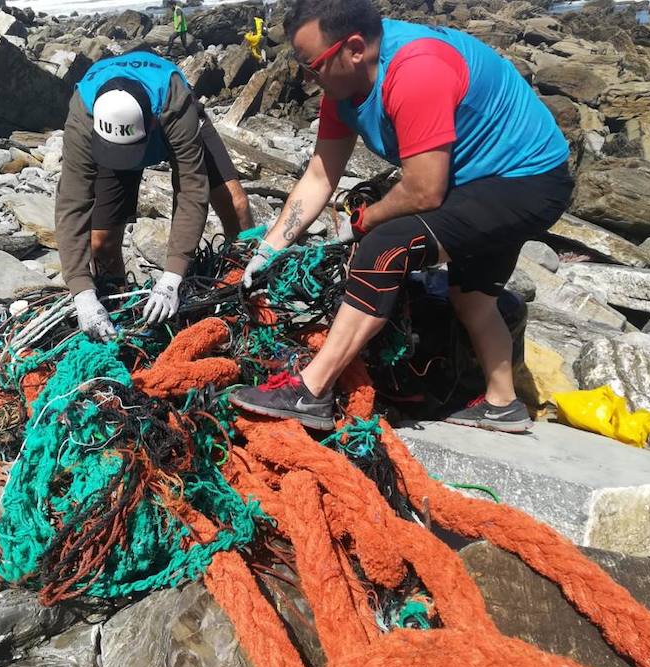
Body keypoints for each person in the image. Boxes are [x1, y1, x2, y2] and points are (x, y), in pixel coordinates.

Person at [230, 0, 573, 433]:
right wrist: (268, 250)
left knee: (383, 247)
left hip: (527, 179)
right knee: (471, 297)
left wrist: (366, 220)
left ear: (353, 48)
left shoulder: (415, 71)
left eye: (311, 65)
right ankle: (502, 403)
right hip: (475, 180)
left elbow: (424, 190)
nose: (307, 78)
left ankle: (311, 391)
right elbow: (319, 174)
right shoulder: (342, 85)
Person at [55, 50, 253, 342]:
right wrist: (82, 291)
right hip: (110, 142)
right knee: (101, 242)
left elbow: (190, 189)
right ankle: (119, 317)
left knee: (235, 203)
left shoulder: (175, 103)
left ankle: (247, 287)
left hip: (169, 122)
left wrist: (172, 277)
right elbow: (72, 202)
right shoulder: (83, 117)